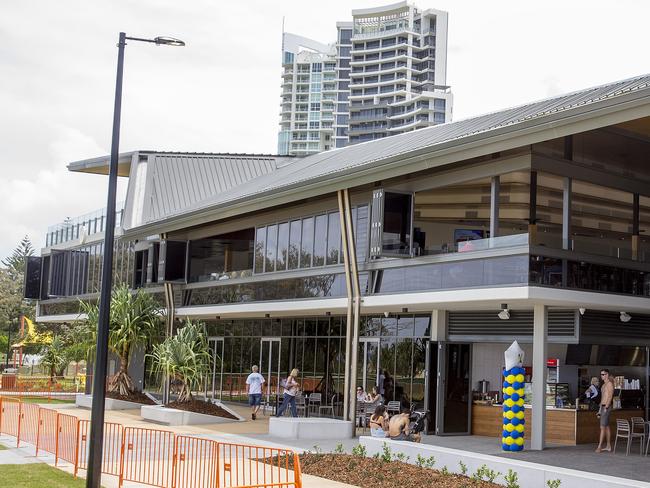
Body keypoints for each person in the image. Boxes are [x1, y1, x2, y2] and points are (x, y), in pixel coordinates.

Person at [595, 369, 614, 453]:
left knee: (602, 427)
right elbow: (603, 398)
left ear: (607, 375)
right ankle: (608, 446)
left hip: (606, 407)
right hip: (602, 407)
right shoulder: (603, 385)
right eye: (601, 374)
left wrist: (606, 407)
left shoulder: (609, 384)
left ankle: (599, 446)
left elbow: (610, 396)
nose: (601, 376)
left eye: (603, 374)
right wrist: (600, 410)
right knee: (606, 427)